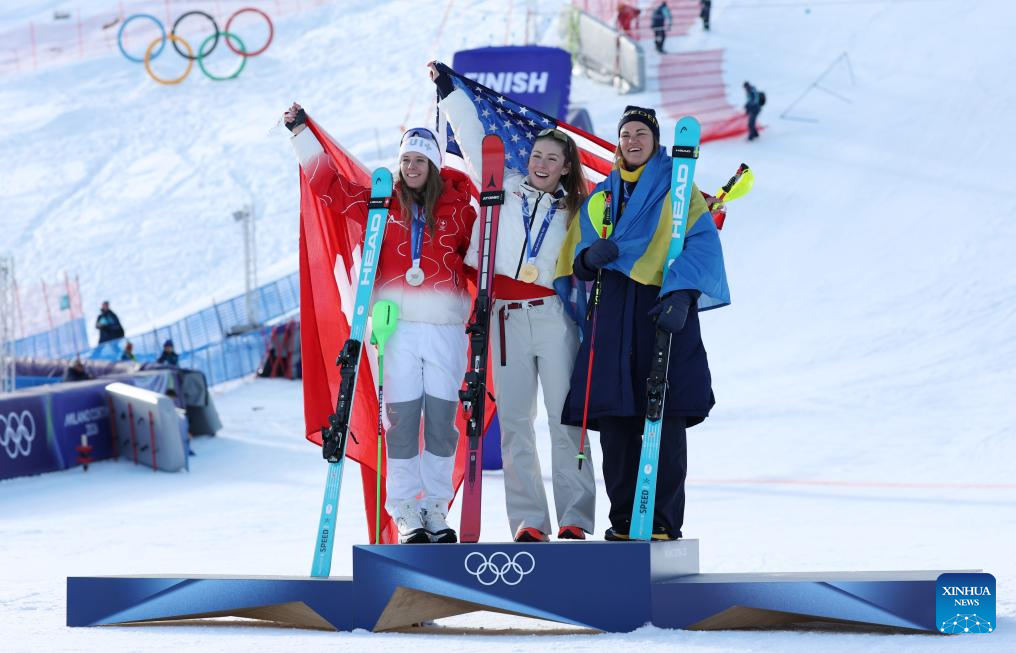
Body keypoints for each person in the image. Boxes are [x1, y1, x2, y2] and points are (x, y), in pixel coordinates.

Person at [284, 102, 476, 544]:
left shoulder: (460, 211)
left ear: (433, 165)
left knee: (442, 421)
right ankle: (406, 509)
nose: (412, 167)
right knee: (402, 421)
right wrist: (300, 134)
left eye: (420, 160)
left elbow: (481, 258)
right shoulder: (380, 205)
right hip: (395, 329)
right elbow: (329, 188)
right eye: (406, 160)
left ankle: (435, 507)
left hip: (445, 329)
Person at [431, 62, 596, 543]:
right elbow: (474, 137)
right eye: (538, 155)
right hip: (505, 319)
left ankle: (575, 518)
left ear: (565, 167)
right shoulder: (501, 190)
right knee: (516, 424)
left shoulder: (577, 210)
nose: (542, 164)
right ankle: (529, 522)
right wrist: (447, 91)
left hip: (554, 318)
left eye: (552, 159)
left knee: (566, 420)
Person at [562, 106, 729, 542]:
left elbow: (701, 245)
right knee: (616, 424)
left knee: (664, 418)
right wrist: (587, 258)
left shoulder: (680, 192)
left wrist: (681, 295)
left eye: (641, 133)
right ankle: (624, 518)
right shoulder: (602, 197)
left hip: (662, 308)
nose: (632, 141)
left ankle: (663, 519)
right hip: (613, 314)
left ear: (655, 141)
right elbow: (576, 254)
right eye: (625, 134)